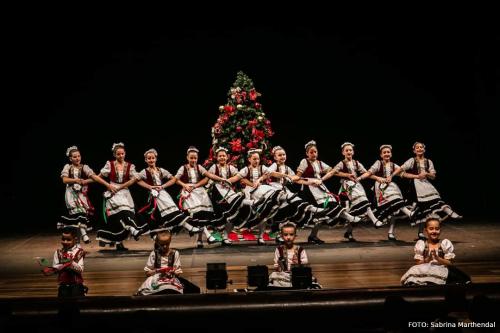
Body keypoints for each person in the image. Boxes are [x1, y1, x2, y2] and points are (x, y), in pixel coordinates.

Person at [392, 142, 462, 240]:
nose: (419, 149)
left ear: (424, 149)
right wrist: (392, 175)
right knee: (414, 211)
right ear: (414, 150)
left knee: (433, 202)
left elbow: (433, 176)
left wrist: (427, 173)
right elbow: (401, 170)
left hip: (426, 184)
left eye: (421, 147)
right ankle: (391, 231)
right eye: (417, 147)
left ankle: (449, 212)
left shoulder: (429, 162)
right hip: (415, 187)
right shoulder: (412, 160)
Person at [296, 140, 361, 244]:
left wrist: (347, 175)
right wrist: (309, 181)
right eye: (311, 152)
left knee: (329, 206)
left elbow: (333, 171)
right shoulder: (304, 162)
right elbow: (297, 178)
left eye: (315, 152)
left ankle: (313, 236)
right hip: (310, 190)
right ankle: (349, 217)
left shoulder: (320, 163)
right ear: (307, 153)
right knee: (321, 211)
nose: (314, 154)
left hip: (321, 188)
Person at [267, 146, 329, 243]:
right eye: (279, 155)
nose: (282, 157)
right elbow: (270, 172)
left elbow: (297, 179)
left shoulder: (287, 168)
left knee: (288, 211)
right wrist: (285, 176)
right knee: (283, 210)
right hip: (275, 189)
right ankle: (277, 232)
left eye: (283, 154)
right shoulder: (275, 165)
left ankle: (280, 235)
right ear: (275, 157)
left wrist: (310, 182)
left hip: (284, 190)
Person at [93, 142, 147, 251]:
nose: (121, 156)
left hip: (125, 192)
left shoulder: (130, 166)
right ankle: (133, 230)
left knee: (125, 214)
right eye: (118, 154)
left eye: (122, 154)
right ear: (114, 155)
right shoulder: (110, 164)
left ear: (125, 153)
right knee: (121, 213)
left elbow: (135, 179)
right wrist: (107, 185)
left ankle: (120, 242)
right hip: (113, 192)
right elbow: (97, 177)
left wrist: (150, 187)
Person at [136, 148, 201, 236]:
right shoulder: (144, 172)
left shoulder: (161, 170)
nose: (151, 160)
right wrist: (150, 187)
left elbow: (173, 179)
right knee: (163, 216)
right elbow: (137, 180)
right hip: (154, 198)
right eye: (149, 158)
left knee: (173, 212)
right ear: (146, 160)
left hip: (163, 195)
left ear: (156, 158)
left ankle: (190, 228)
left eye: (153, 158)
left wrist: (162, 186)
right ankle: (189, 228)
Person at [175, 146, 231, 248]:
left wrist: (222, 179)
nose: (193, 160)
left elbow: (209, 176)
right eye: (191, 158)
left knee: (202, 216)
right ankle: (208, 236)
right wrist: (184, 185)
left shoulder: (199, 167)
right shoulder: (183, 168)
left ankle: (200, 240)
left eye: (195, 158)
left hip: (199, 191)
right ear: (187, 158)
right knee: (197, 215)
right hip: (188, 193)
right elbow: (175, 179)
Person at [227, 148, 285, 245]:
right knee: (246, 210)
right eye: (254, 159)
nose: (256, 161)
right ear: (249, 159)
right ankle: (229, 233)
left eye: (258, 159)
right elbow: (238, 178)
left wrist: (285, 175)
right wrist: (226, 181)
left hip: (261, 191)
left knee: (266, 213)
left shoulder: (262, 168)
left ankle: (262, 236)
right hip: (249, 192)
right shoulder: (246, 169)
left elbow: (272, 173)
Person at [328, 142, 385, 238]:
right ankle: (374, 220)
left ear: (353, 152)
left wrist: (377, 178)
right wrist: (346, 175)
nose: (349, 151)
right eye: (346, 150)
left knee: (357, 210)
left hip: (356, 185)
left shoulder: (356, 163)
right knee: (362, 202)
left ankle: (349, 232)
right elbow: (333, 172)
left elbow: (366, 173)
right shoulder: (341, 163)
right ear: (343, 153)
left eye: (350, 150)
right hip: (347, 187)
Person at [359, 144, 413, 240]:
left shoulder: (393, 165)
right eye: (384, 152)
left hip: (392, 187)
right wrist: (360, 178)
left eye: (388, 152)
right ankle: (409, 214)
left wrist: (416, 176)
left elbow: (403, 173)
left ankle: (391, 232)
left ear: (391, 154)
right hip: (381, 188)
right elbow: (369, 173)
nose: (386, 154)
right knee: (396, 201)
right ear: (381, 155)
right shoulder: (378, 163)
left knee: (395, 208)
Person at [400, 217, 471, 286]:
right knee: (414, 269)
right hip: (424, 268)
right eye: (431, 229)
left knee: (464, 279)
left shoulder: (444, 243)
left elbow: (449, 263)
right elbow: (418, 263)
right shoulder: (421, 244)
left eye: (437, 229)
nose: (434, 231)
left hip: (440, 268)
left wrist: (438, 258)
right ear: (426, 230)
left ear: (440, 230)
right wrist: (428, 259)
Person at [206, 147, 251, 245]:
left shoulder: (231, 168)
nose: (222, 157)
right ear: (216, 157)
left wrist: (229, 180)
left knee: (233, 212)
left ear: (227, 157)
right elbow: (209, 175)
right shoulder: (214, 167)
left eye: (224, 156)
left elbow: (238, 176)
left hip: (229, 191)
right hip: (217, 193)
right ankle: (223, 235)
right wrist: (221, 180)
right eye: (220, 156)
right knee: (225, 214)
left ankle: (226, 236)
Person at [135, 230, 199, 295]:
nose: (165, 246)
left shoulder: (175, 253)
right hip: (156, 278)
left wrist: (172, 272)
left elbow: (177, 273)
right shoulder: (154, 254)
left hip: (170, 278)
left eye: (167, 244)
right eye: (162, 245)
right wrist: (158, 271)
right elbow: (147, 273)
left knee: (193, 289)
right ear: (158, 243)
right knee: (149, 290)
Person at [58, 146, 96, 244]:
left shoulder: (84, 167)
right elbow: (64, 180)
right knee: (76, 216)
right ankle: (83, 236)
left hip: (81, 195)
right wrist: (75, 180)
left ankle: (79, 241)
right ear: (70, 158)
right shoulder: (68, 167)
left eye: (79, 156)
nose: (77, 158)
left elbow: (94, 178)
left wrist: (84, 181)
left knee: (81, 215)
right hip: (71, 194)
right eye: (75, 157)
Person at [268, 222, 321, 289]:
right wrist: (279, 266)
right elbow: (276, 265)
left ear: (295, 236)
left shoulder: (300, 250)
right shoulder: (279, 249)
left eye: (291, 235)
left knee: (310, 278)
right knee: (274, 275)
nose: (288, 237)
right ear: (281, 236)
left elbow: (304, 265)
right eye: (285, 235)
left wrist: (299, 267)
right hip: (284, 275)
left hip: (298, 275)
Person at [42, 228, 87, 298]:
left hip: (77, 285)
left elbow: (80, 269)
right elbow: (55, 268)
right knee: (63, 306)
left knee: (76, 306)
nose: (65, 242)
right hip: (63, 286)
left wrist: (70, 264)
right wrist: (50, 270)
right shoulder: (58, 252)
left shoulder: (79, 252)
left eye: (68, 240)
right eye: (63, 239)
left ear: (75, 240)